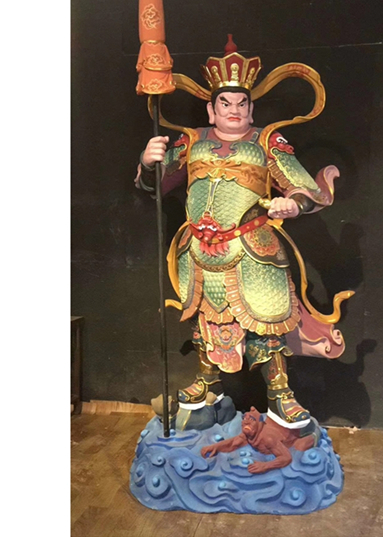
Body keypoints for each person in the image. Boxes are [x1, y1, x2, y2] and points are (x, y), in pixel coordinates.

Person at [135, 38, 338, 428]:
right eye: (225, 103)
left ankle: (281, 393)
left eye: (241, 104)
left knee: (267, 324)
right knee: (205, 319)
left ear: (251, 108)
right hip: (199, 249)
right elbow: (155, 186)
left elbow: (304, 188)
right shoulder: (192, 141)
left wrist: (293, 204)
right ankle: (206, 382)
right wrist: (148, 162)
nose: (233, 110)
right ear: (211, 110)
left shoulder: (267, 142)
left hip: (252, 249)